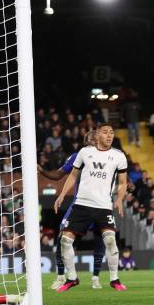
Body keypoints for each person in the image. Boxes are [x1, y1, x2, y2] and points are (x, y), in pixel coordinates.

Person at [54, 123, 128, 292]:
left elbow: (123, 182)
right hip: (81, 204)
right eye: (105, 132)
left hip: (103, 206)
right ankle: (72, 278)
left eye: (112, 132)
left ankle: (115, 279)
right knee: (65, 241)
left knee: (110, 240)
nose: (109, 135)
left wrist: (120, 198)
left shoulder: (119, 156)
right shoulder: (85, 153)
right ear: (97, 135)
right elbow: (73, 175)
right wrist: (62, 195)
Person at [39, 130, 106, 290]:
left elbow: (122, 175)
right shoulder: (79, 156)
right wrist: (42, 171)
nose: (95, 142)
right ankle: (62, 277)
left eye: (97, 139)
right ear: (86, 142)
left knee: (102, 238)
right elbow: (58, 174)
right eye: (92, 139)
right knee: (62, 237)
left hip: (101, 204)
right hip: (80, 205)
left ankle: (96, 277)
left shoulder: (110, 156)